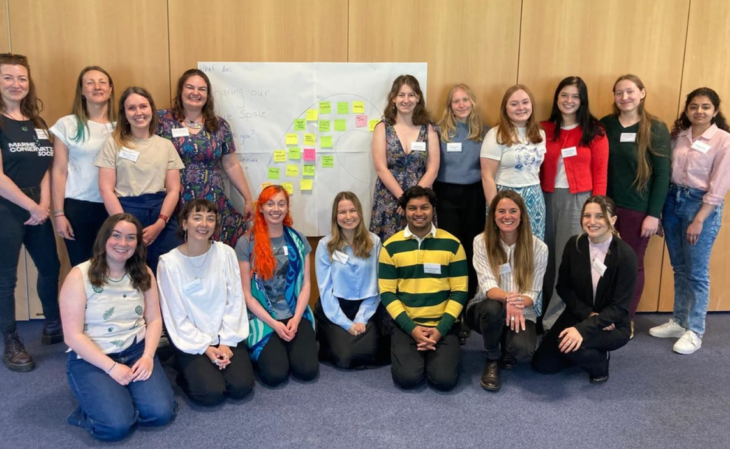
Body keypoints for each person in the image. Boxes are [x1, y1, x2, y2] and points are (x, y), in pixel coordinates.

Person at [60, 214, 176, 441]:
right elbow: (72, 336)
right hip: (93, 357)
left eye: (131, 238)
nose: (123, 243)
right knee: (115, 427)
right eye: (116, 236)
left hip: (136, 351)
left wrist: (148, 357)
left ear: (137, 243)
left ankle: (117, 399)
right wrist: (111, 368)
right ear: (104, 238)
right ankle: (92, 410)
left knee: (162, 413)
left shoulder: (143, 272)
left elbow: (154, 320)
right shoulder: (79, 275)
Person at [649, 87, 730, 354]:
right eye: (694, 106)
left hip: (701, 206)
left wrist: (700, 220)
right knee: (679, 267)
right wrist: (661, 211)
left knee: (697, 272)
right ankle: (679, 320)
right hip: (673, 201)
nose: (699, 111)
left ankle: (695, 330)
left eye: (706, 107)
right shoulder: (678, 137)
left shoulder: (723, 140)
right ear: (687, 110)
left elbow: (718, 187)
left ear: (715, 111)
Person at [157, 199, 254, 404]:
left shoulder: (226, 253)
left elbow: (235, 299)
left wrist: (227, 342)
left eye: (210, 219)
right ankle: (183, 369)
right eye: (197, 218)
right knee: (210, 394)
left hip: (225, 333)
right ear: (184, 223)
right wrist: (206, 347)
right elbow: (174, 313)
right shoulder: (169, 263)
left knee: (241, 387)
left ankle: (217, 358)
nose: (204, 224)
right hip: (191, 339)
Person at [0, 53, 62, 372]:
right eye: (8, 77)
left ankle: (53, 324)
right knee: (5, 279)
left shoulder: (37, 123)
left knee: (50, 267)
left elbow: (45, 166)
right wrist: (32, 206)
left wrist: (46, 206)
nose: (16, 84)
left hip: (39, 207)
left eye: (22, 78)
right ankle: (10, 340)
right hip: (7, 209)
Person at [532, 196, 636, 384]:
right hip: (580, 313)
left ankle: (600, 365)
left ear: (612, 220)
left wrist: (584, 329)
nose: (592, 221)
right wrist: (588, 314)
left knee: (573, 346)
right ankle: (581, 350)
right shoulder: (575, 245)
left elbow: (620, 307)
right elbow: (562, 287)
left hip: (612, 323)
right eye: (587, 215)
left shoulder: (625, 255)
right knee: (543, 365)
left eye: (599, 216)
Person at [600, 74, 670, 338]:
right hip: (606, 207)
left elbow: (663, 174)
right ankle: (604, 313)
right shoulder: (606, 124)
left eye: (630, 91)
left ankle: (625, 318)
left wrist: (654, 215)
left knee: (632, 264)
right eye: (619, 92)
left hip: (637, 209)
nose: (624, 97)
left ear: (642, 92)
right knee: (603, 263)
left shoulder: (655, 128)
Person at [379, 186, 467, 391]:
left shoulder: (453, 244)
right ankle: (419, 349)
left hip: (443, 325)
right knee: (408, 379)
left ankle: (437, 349)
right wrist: (412, 329)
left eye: (424, 207)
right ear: (404, 210)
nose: (419, 213)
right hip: (406, 325)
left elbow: (460, 291)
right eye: (412, 208)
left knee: (443, 381)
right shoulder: (390, 247)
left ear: (432, 209)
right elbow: (387, 293)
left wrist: (440, 330)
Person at [540, 76, 608, 329]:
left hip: (579, 199)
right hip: (545, 197)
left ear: (582, 100)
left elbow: (601, 172)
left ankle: (554, 319)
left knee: (565, 260)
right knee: (544, 257)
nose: (569, 101)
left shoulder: (594, 130)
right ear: (557, 98)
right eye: (564, 95)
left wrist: (597, 210)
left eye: (575, 96)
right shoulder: (544, 129)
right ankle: (540, 309)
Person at [157, 69, 253, 248]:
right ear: (180, 91)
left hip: (212, 198)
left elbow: (231, 164)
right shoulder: (162, 121)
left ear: (208, 95)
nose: (195, 93)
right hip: (175, 198)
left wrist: (247, 199)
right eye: (190, 87)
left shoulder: (219, 125)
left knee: (214, 251)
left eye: (201, 89)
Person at [96, 86, 184, 274]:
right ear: (124, 114)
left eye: (143, 106)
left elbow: (174, 190)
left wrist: (160, 223)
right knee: (131, 272)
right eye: (131, 108)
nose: (138, 113)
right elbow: (105, 189)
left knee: (167, 271)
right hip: (125, 212)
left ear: (151, 109)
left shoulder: (166, 145)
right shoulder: (113, 143)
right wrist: (123, 226)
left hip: (162, 214)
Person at [236, 185, 318, 386]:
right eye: (270, 204)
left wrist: (297, 319)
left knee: (307, 371)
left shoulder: (298, 239)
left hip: (295, 313)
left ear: (287, 208)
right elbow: (247, 294)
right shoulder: (246, 242)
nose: (276, 209)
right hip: (263, 317)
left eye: (281, 204)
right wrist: (274, 325)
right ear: (261, 208)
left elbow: (306, 284)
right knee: (275, 375)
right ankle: (269, 348)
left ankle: (288, 344)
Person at [466, 190, 547, 391]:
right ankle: (492, 357)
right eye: (501, 211)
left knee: (523, 351)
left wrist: (516, 303)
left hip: (522, 310)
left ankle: (506, 342)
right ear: (493, 216)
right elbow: (488, 286)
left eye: (513, 211)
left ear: (521, 215)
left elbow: (533, 292)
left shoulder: (539, 248)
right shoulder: (481, 241)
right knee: (493, 309)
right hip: (484, 308)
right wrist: (509, 300)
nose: (507, 216)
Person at [434, 84, 488, 343]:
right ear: (449, 105)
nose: (461, 104)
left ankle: (467, 309)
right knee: (450, 252)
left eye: (465, 99)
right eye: (456, 101)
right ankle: (449, 312)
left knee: (471, 250)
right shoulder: (438, 130)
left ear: (473, 102)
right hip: (445, 196)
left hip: (475, 196)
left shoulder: (485, 132)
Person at [51, 66, 115, 266]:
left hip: (114, 205)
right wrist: (59, 213)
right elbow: (59, 171)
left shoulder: (122, 125)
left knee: (114, 268)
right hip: (79, 207)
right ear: (81, 90)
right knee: (82, 269)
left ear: (111, 89)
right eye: (90, 82)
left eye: (102, 82)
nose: (97, 87)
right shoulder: (67, 124)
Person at [314, 191, 387, 369]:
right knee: (344, 357)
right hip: (336, 308)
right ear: (335, 216)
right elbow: (325, 291)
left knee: (373, 352)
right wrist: (347, 324)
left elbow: (377, 285)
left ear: (360, 213)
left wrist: (361, 319)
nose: (348, 216)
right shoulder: (325, 245)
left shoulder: (374, 242)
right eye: (342, 212)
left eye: (352, 211)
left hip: (368, 306)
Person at [370, 74, 439, 242]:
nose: (406, 100)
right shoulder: (383, 128)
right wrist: (402, 198)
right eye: (401, 95)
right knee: (390, 248)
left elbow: (433, 169)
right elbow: (381, 168)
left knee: (421, 247)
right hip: (389, 197)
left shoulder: (428, 129)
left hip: (421, 201)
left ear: (418, 98)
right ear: (393, 98)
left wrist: (412, 201)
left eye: (411, 95)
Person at [481, 84, 546, 241]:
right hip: (504, 199)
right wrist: (495, 209)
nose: (521, 108)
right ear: (505, 109)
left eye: (525, 102)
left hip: (534, 199)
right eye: (514, 104)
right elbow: (487, 176)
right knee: (504, 247)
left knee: (532, 247)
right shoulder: (495, 134)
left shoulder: (540, 133)